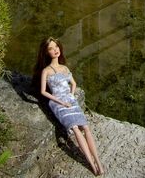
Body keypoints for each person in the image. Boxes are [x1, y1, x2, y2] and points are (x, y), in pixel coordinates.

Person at [33, 37, 104, 176]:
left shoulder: (64, 68)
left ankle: (98, 162)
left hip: (70, 100)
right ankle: (92, 164)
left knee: (86, 127)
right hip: (57, 102)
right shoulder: (46, 71)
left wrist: (71, 95)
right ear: (46, 52)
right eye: (51, 48)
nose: (55, 50)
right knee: (76, 129)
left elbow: (74, 83)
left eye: (56, 47)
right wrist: (61, 102)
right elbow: (43, 91)